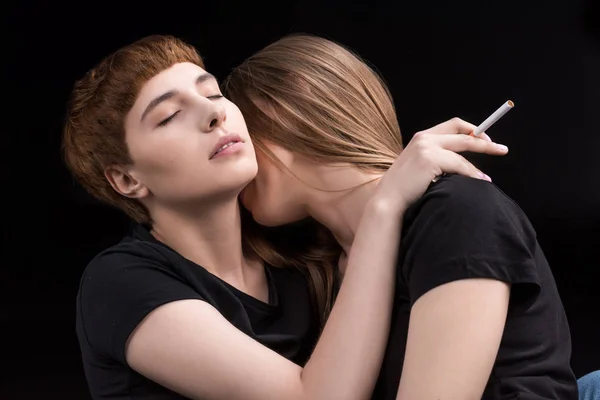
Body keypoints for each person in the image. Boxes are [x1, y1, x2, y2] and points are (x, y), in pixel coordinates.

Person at [63, 35, 506, 399]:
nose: (215, 112)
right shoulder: (121, 284)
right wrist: (383, 207)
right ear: (126, 179)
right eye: (171, 115)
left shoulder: (299, 259)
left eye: (213, 93)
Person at [223, 33, 579, 399]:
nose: (234, 162)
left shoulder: (456, 212)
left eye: (236, 137)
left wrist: (383, 208)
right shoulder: (318, 271)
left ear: (284, 111)